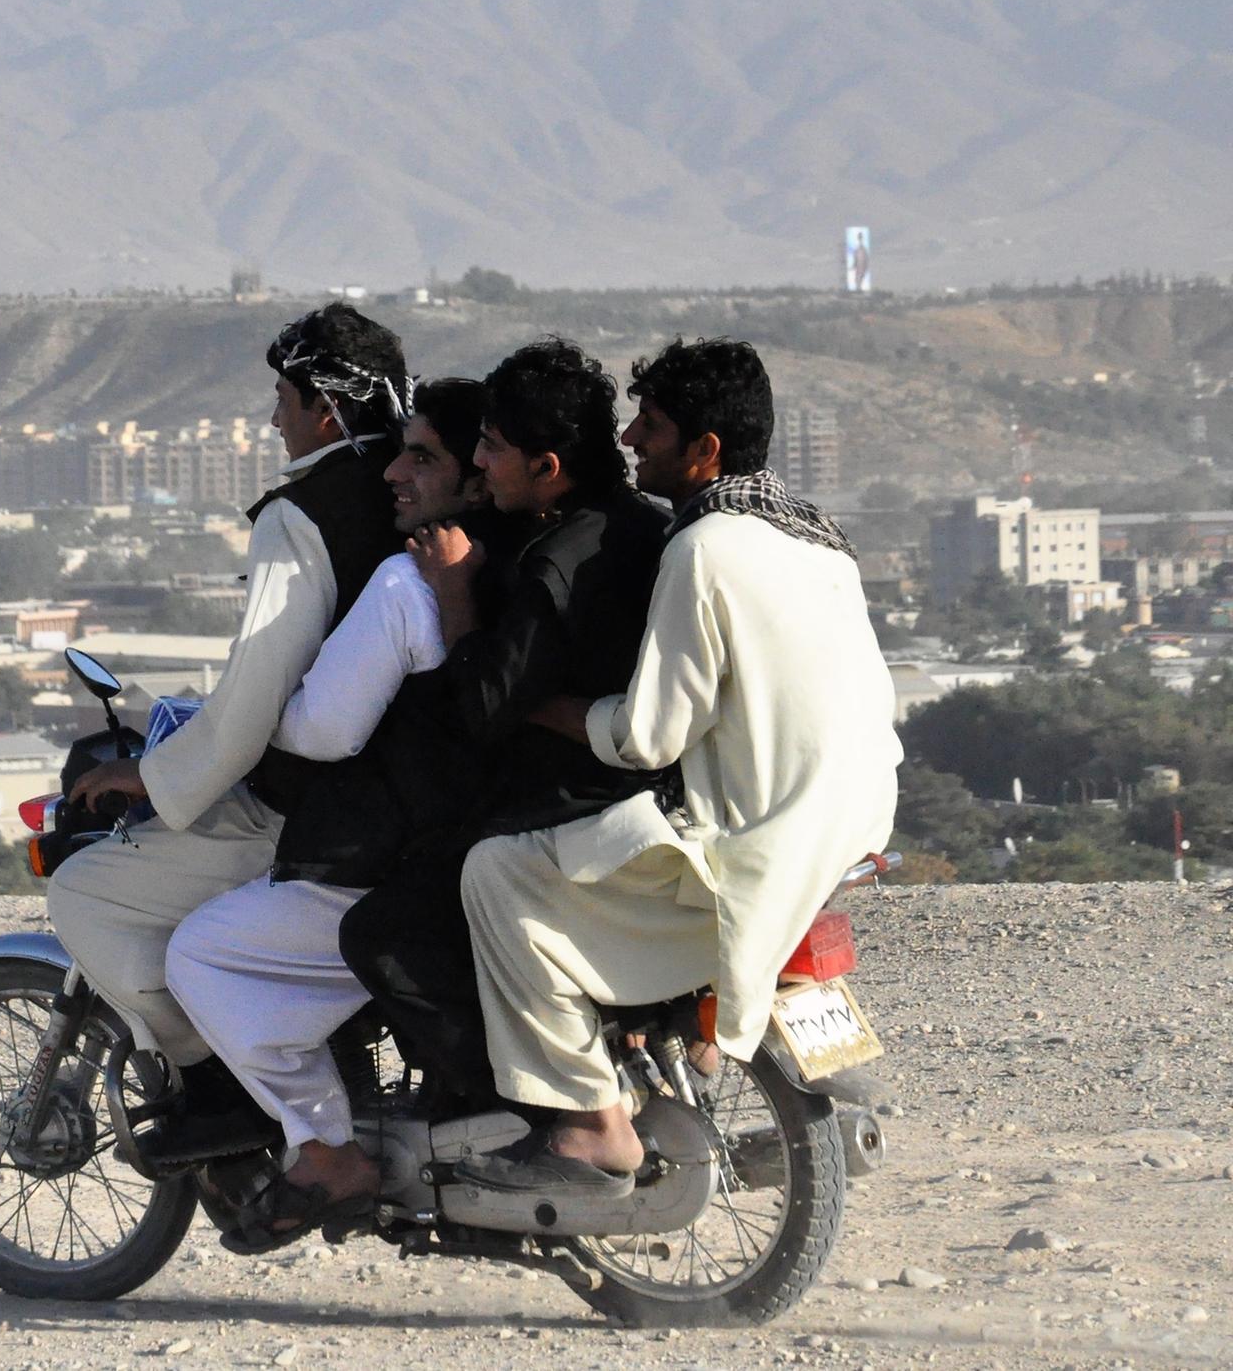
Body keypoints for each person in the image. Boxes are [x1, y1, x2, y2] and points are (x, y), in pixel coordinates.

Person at [454, 338, 899, 1200]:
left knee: (496, 873)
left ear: (705, 450)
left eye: (650, 426)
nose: (629, 440)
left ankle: (589, 1123)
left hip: (754, 839)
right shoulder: (818, 537)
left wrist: (542, 706)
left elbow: (646, 736)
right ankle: (681, 1046)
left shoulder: (703, 548)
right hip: (853, 824)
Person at [51, 302, 407, 1151]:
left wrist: (152, 776)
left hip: (313, 809)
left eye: (283, 399)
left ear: (326, 410)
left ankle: (218, 1089)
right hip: (408, 789)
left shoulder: (302, 514)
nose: (274, 420)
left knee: (85, 893)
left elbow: (253, 702)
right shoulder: (413, 488)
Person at [156, 379, 488, 1232]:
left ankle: (325, 1151)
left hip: (401, 859)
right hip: (487, 844)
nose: (395, 475)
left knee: (202, 953)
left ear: (477, 472)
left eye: (423, 459)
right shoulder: (526, 562)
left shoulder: (406, 584)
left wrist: (254, 714)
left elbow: (322, 730)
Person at [333, 337, 673, 1152]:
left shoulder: (556, 563)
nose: (480, 466)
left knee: (384, 933)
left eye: (491, 448)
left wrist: (454, 592)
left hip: (563, 806)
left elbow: (485, 705)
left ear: (547, 466)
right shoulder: (640, 526)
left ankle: (540, 1117)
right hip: (637, 794)